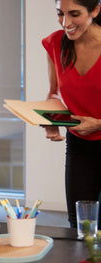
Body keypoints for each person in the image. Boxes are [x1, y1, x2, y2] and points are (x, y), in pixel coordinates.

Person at [42, 0, 101, 228]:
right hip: (80, 145)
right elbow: (54, 93)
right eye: (60, 14)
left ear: (95, 10)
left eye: (74, 14)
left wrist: (98, 123)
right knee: (80, 224)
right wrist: (51, 120)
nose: (66, 23)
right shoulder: (56, 43)